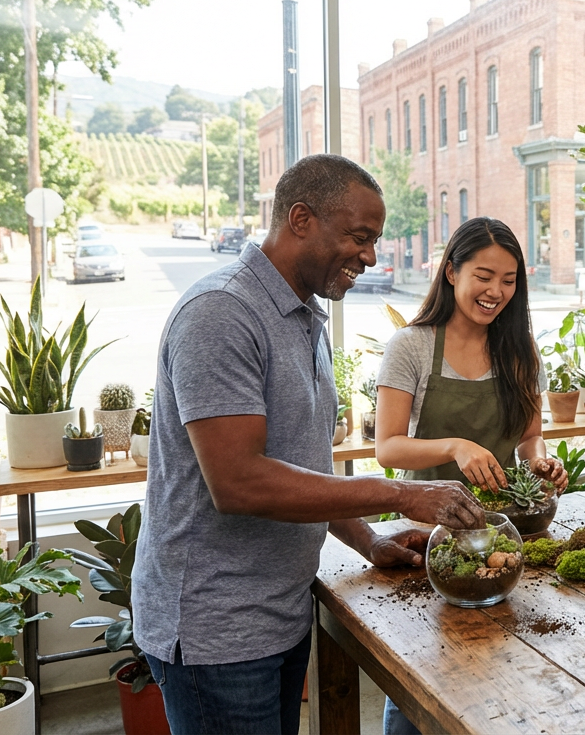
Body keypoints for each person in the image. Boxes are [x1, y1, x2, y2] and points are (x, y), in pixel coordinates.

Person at [132, 154, 484, 735]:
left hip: (280, 608)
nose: (371, 256)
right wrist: (398, 496)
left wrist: (368, 540)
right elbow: (238, 481)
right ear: (300, 219)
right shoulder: (221, 312)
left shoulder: (302, 317)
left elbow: (302, 468)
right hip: (216, 627)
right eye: (359, 237)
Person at [374, 217, 568, 495]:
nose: (496, 291)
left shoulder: (521, 348)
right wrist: (456, 447)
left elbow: (530, 436)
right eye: (484, 277)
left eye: (508, 281)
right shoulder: (411, 345)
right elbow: (388, 448)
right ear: (452, 273)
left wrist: (538, 462)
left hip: (503, 515)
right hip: (425, 515)